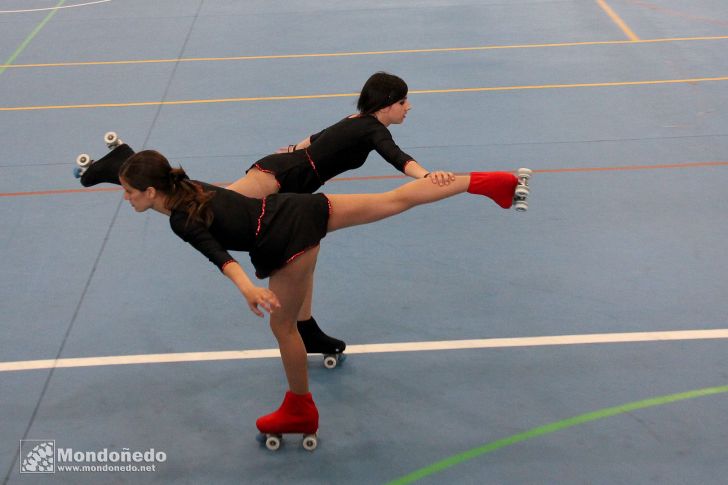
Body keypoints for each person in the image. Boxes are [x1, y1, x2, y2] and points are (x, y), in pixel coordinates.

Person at [117, 149, 529, 443]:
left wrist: (249, 289)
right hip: (297, 209)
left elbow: (219, 257)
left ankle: (300, 409)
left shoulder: (181, 219)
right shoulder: (183, 185)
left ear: (151, 192)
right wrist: (117, 162)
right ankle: (488, 183)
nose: (125, 197)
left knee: (283, 327)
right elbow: (145, 167)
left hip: (283, 240)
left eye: (129, 191)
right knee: (392, 199)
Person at [79, 72, 454, 361]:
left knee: (294, 251)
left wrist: (295, 148)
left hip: (288, 175)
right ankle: (119, 166)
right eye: (404, 101)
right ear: (387, 104)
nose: (408, 107)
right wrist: (425, 176)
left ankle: (306, 328)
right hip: (280, 178)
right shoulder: (371, 127)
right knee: (194, 205)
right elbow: (395, 155)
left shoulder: (356, 119)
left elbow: (315, 138)